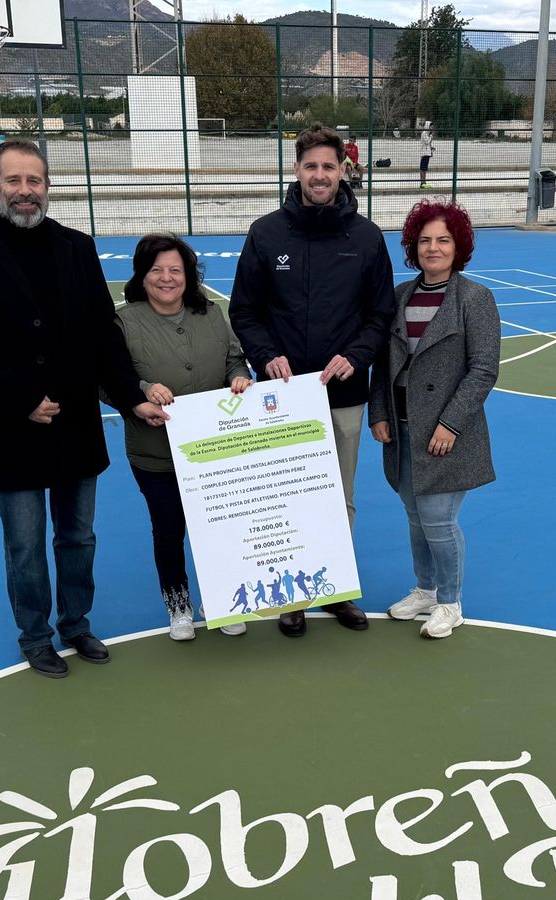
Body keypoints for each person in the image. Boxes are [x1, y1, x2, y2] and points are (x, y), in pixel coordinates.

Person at [0, 138, 160, 678]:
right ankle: (35, 634)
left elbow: (104, 336)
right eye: (13, 181)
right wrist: (21, 399)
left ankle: (76, 624)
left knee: (78, 535)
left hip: (76, 426)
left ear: (47, 186)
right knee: (24, 542)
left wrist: (132, 397)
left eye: (33, 181)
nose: (24, 192)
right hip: (12, 426)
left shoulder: (77, 247)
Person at [231, 124, 397, 638]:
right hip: (281, 399)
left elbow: (381, 314)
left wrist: (356, 354)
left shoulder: (366, 238)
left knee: (339, 498)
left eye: (329, 166)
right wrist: (266, 355)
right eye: (311, 166)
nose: (320, 175)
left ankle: (337, 589)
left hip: (342, 394)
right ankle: (294, 594)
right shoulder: (266, 233)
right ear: (297, 170)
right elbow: (245, 311)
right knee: (289, 499)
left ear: (342, 171)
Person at [369, 200, 499, 640]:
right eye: (425, 240)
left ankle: (450, 601)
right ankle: (425, 589)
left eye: (443, 239)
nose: (433, 247)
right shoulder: (402, 296)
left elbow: (483, 369)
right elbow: (383, 362)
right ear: (413, 246)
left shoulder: (475, 298)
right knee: (414, 516)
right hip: (402, 430)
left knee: (439, 521)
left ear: (458, 245)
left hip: (445, 434)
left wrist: (451, 424)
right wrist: (380, 412)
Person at [115, 233, 252, 641]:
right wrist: (140, 392)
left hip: (215, 449)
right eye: (156, 270)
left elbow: (233, 356)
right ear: (142, 275)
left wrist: (238, 376)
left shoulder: (210, 313)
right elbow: (108, 380)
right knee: (169, 529)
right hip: (154, 452)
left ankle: (225, 599)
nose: (166, 278)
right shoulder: (123, 320)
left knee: (220, 526)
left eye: (175, 269)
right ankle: (178, 605)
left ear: (188, 275)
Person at [419, 121, 436, 189]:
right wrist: (431, 136)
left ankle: (424, 182)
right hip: (424, 153)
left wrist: (431, 147)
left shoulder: (428, 134)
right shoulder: (424, 133)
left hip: (427, 153)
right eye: (431, 127)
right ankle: (422, 183)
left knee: (425, 168)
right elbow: (427, 142)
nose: (432, 128)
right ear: (427, 126)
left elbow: (429, 143)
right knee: (422, 168)